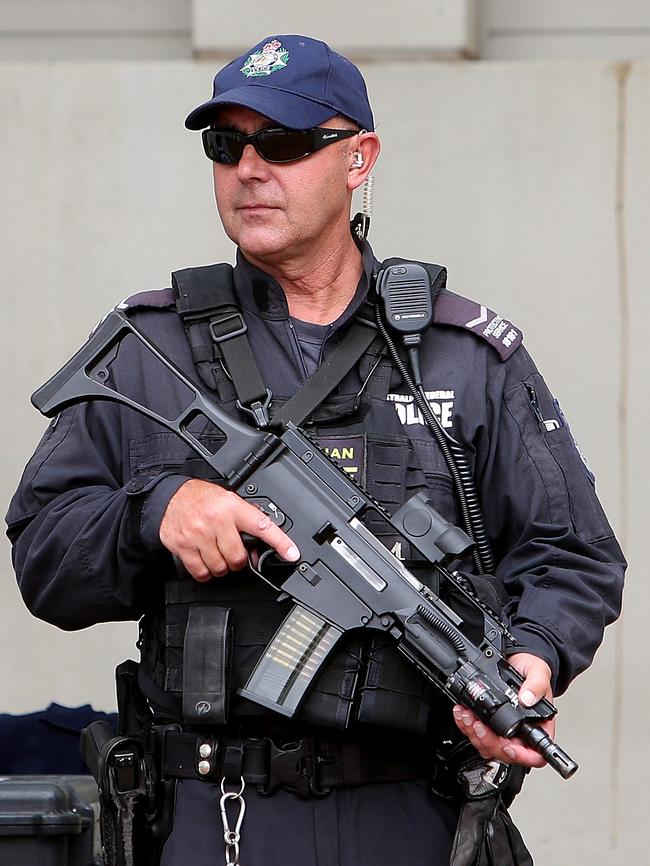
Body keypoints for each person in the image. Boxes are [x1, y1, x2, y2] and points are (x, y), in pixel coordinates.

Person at [6, 34, 625, 866]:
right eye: (227, 145)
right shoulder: (151, 350)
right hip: (205, 813)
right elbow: (44, 554)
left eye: (287, 142)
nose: (250, 168)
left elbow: (573, 553)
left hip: (411, 811)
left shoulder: (463, 355)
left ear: (359, 157)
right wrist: (154, 514)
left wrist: (530, 658)